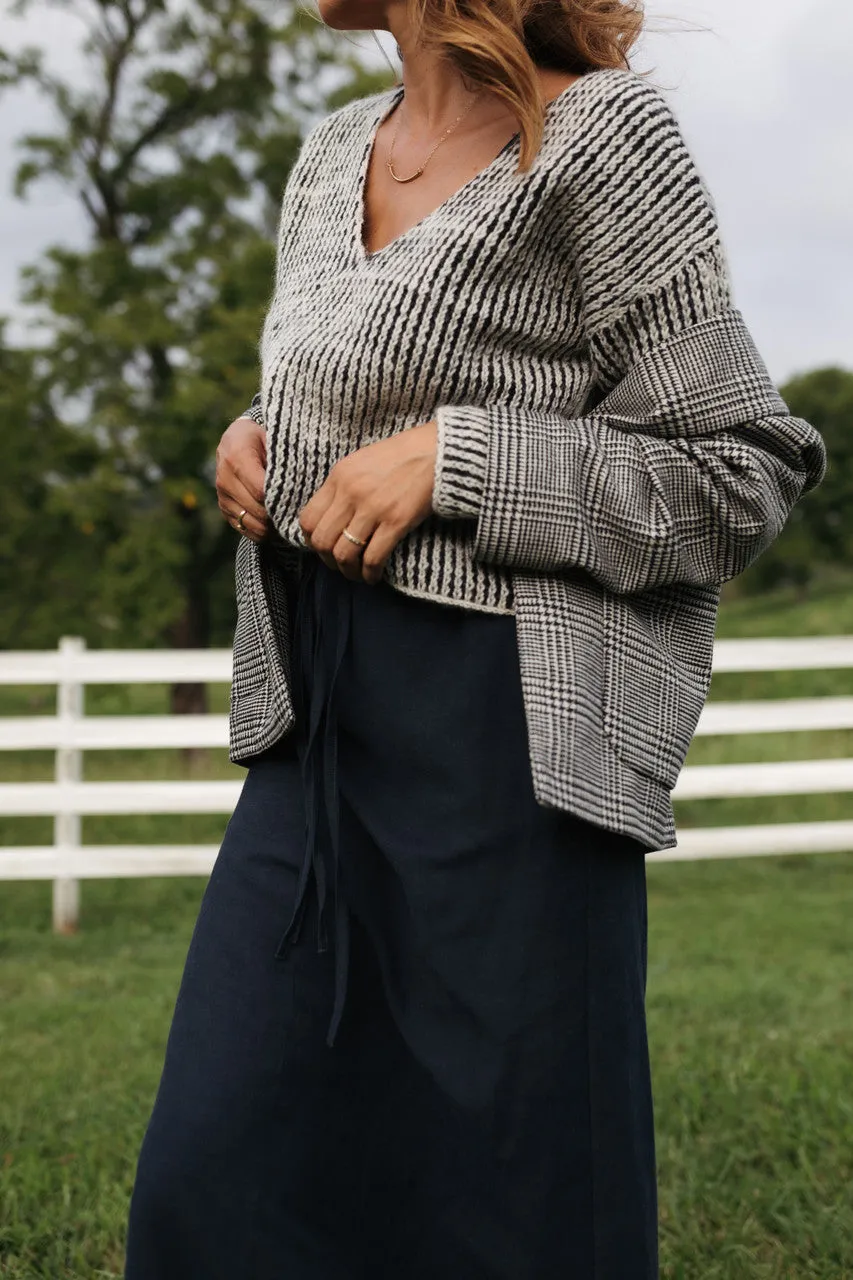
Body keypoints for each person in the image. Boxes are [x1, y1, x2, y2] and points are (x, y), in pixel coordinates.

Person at [123, 0, 827, 1275]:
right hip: (317, 733)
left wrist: (466, 461)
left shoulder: (599, 139)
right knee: (215, 1171)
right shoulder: (337, 148)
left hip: (505, 747)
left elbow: (740, 469)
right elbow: (345, 388)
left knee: (518, 1199)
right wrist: (257, 441)